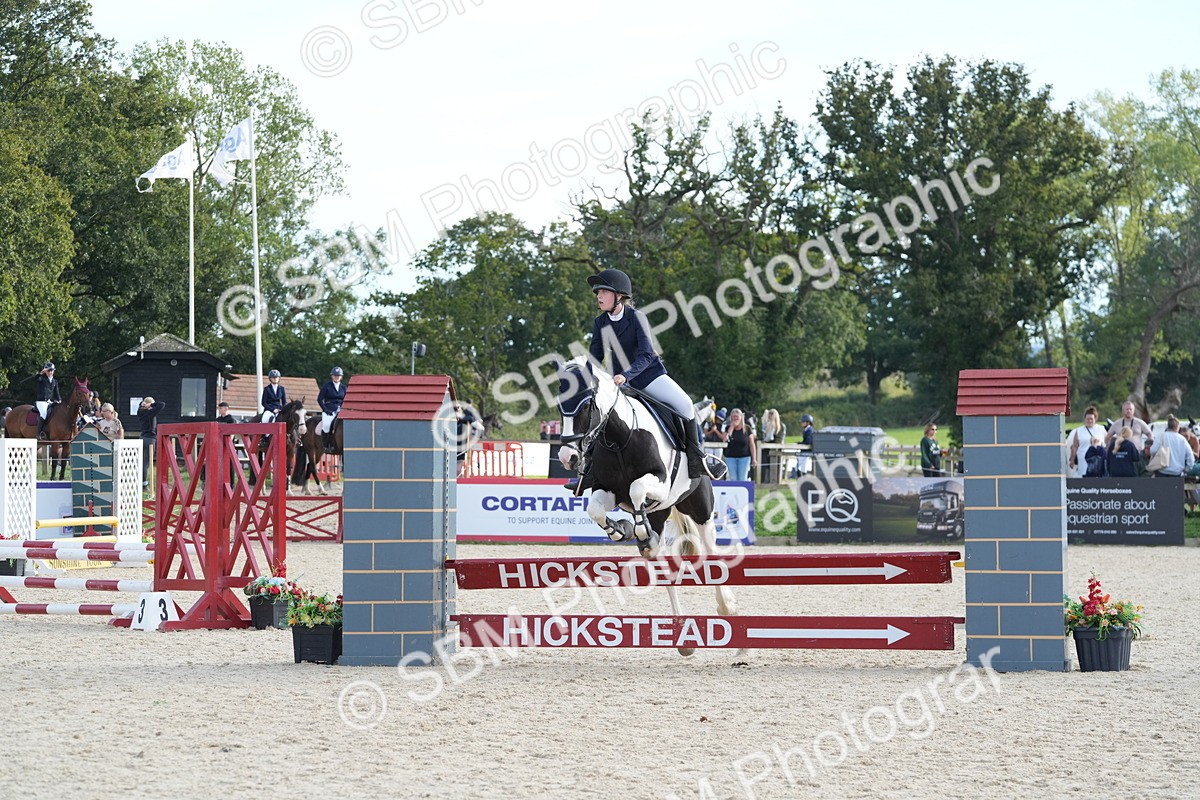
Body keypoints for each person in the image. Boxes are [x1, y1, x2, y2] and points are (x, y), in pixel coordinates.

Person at [574, 268, 726, 486]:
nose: (598, 296)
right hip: (618, 382)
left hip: (648, 377)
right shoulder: (600, 323)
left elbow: (647, 354)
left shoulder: (637, 318)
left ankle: (697, 459)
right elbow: (596, 356)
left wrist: (625, 376)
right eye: (597, 292)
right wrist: (585, 380)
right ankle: (588, 471)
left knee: (685, 405)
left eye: (603, 292)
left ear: (619, 295)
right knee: (596, 413)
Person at [1068, 406, 1108, 479]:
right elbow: (1075, 446)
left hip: (1098, 462)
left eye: (1091, 419)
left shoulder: (1101, 429)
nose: (1089, 421)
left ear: (1095, 419)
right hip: (1083, 460)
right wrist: (1072, 459)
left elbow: (1107, 442)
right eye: (1088, 419)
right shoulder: (1079, 431)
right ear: (1085, 419)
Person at [723, 408, 757, 482]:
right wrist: (731, 428)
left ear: (741, 418)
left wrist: (754, 458)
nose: (735, 419)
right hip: (730, 457)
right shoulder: (727, 428)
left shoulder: (747, 428)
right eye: (733, 417)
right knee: (733, 478)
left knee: (742, 478)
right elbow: (725, 440)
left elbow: (752, 444)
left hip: (744, 457)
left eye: (737, 417)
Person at [318, 367, 346, 453]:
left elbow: (346, 399)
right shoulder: (327, 386)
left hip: (341, 409)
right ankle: (327, 445)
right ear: (332, 376)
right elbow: (319, 399)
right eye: (335, 375)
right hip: (329, 410)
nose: (337, 377)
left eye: (338, 376)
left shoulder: (344, 387)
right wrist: (325, 409)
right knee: (326, 426)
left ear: (341, 377)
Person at [138, 396, 165, 487]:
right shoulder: (150, 413)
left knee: (142, 461)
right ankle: (144, 483)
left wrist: (145, 404)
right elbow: (161, 404)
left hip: (142, 437)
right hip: (150, 438)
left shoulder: (141, 412)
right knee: (146, 462)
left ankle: (142, 481)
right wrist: (152, 404)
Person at [34, 362, 61, 440]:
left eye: (52, 370)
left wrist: (59, 400)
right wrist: (41, 372)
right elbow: (36, 378)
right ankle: (38, 433)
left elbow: (57, 392)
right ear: (45, 371)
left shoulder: (55, 381)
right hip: (41, 401)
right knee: (44, 414)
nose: (50, 372)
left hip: (49, 401)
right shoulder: (42, 378)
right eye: (49, 370)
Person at [760, 408, 786, 483]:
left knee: (766, 463)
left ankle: (766, 479)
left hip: (770, 447)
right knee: (776, 464)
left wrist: (763, 441)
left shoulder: (772, 424)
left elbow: (769, 437)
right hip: (778, 447)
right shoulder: (782, 425)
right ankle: (775, 480)